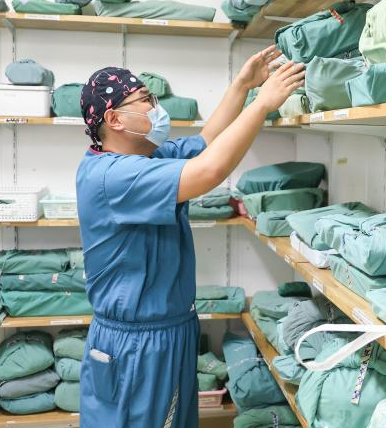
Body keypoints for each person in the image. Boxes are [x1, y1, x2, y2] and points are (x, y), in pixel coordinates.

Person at [74, 45, 305, 428]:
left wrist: (242, 86)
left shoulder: (146, 158)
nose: (155, 106)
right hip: (136, 345)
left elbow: (206, 142)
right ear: (114, 118)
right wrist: (261, 105)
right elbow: (210, 170)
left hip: (166, 332)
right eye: (146, 99)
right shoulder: (112, 176)